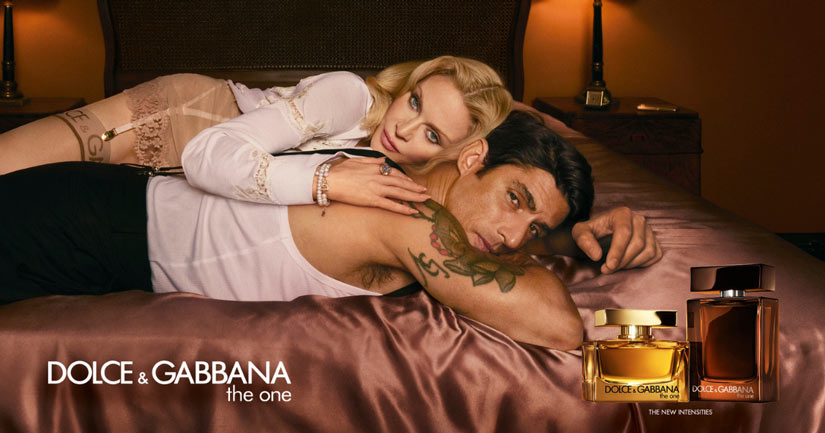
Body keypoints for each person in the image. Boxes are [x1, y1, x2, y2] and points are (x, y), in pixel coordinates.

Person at [0, 111, 662, 349]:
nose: (515, 237)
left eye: (534, 228)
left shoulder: (401, 171)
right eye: (514, 198)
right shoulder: (413, 218)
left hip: (103, 218)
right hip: (74, 225)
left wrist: (568, 236)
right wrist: (549, 253)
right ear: (471, 159)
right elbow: (558, 327)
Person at [0, 56, 511, 215]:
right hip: (181, 117)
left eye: (431, 134)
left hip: (174, 185)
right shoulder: (349, 96)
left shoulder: (402, 177)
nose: (402, 128)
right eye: (415, 101)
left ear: (454, 155)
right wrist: (325, 183)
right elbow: (214, 154)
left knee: (28, 206)